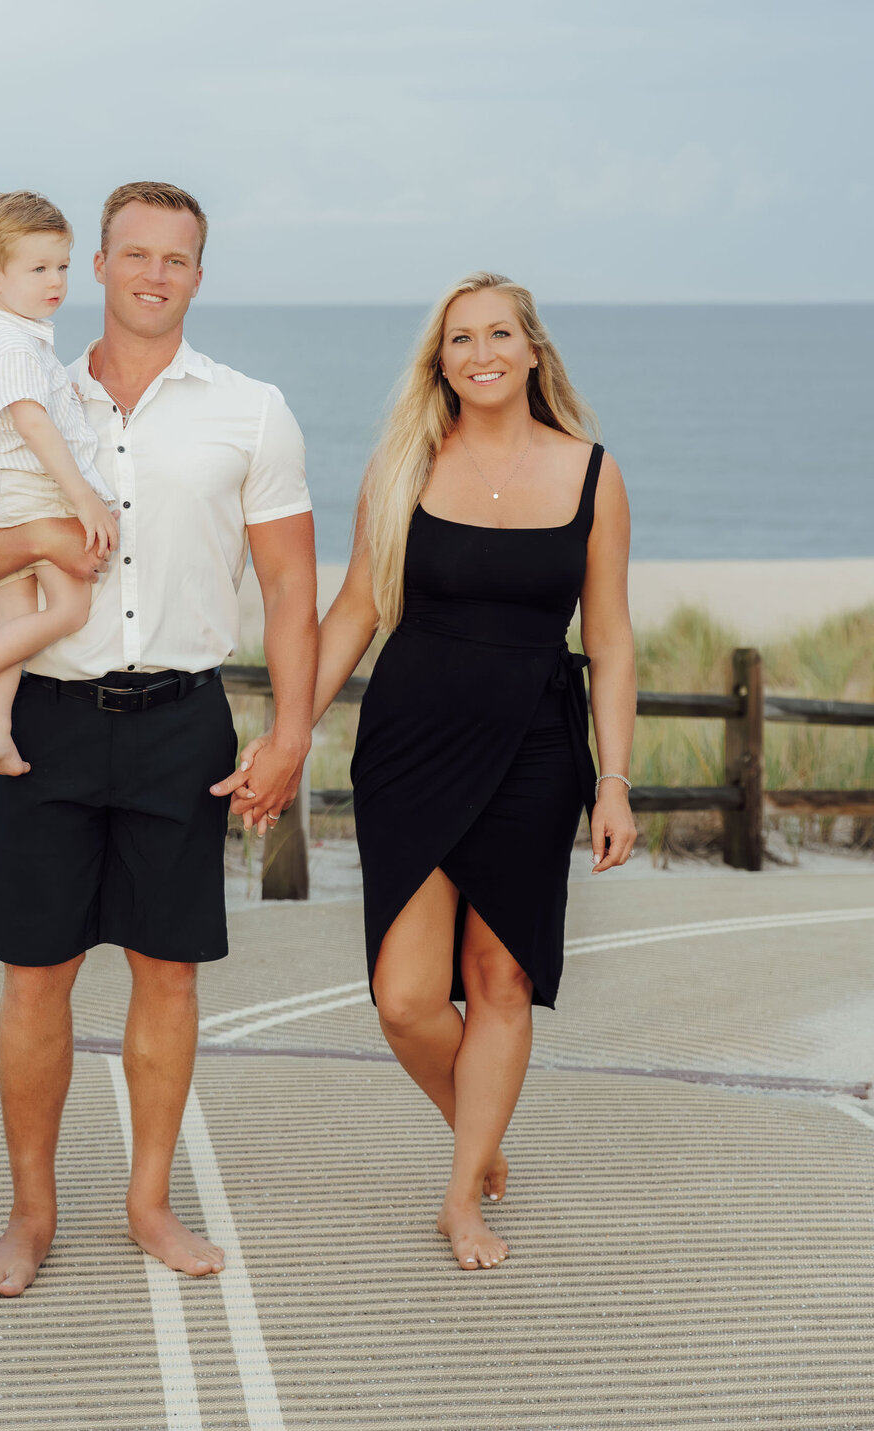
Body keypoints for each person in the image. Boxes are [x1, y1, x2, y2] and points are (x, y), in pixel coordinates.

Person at [0, 181, 317, 1295]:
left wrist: (290, 731)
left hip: (184, 721)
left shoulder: (252, 409)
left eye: (174, 258)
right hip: (44, 717)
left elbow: (290, 589)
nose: (152, 273)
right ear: (93, 265)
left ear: (197, 272)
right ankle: (31, 1215)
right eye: (132, 253)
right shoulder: (35, 386)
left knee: (168, 974)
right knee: (34, 979)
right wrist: (47, 525)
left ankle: (147, 1202)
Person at [307, 271, 637, 1273]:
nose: (481, 351)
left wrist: (615, 780)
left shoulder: (592, 472)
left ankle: (461, 1199)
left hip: (537, 747)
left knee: (499, 977)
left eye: (500, 333)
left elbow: (613, 639)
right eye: (461, 338)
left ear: (533, 350)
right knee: (406, 997)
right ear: (440, 360)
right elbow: (356, 609)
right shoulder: (404, 463)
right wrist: (287, 734)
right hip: (410, 744)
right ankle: (480, 1132)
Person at [0, 191, 119, 776]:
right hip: (25, 489)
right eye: (37, 269)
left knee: (15, 619)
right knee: (68, 609)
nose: (55, 281)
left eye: (61, 266)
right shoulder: (13, 343)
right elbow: (33, 424)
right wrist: (85, 497)